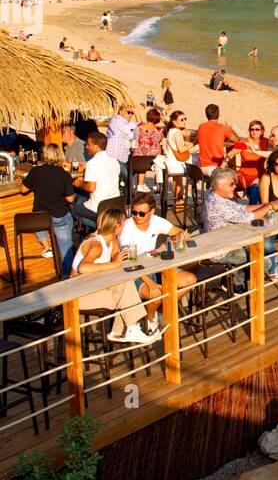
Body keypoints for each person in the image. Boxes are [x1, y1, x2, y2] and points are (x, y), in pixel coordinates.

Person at [71, 207, 158, 346]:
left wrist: (121, 261)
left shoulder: (112, 241)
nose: (125, 224)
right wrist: (114, 264)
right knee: (125, 295)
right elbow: (83, 267)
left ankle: (123, 330)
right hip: (79, 295)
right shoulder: (96, 244)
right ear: (117, 225)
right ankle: (129, 328)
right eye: (123, 222)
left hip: (95, 287)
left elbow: (119, 266)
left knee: (125, 286)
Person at [120, 192, 197, 335]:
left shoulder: (156, 221)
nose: (137, 216)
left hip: (154, 265)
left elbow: (183, 234)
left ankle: (162, 307)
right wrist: (150, 283)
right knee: (156, 293)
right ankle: (150, 318)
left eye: (141, 213)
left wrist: (178, 237)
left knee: (190, 280)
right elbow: (130, 264)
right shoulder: (127, 229)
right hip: (133, 272)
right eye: (134, 212)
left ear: (151, 212)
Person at [203, 166, 278, 279]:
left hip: (230, 242)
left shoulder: (215, 197)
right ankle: (236, 282)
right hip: (223, 250)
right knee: (265, 263)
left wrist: (266, 205)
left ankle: (234, 274)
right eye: (231, 184)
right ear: (220, 186)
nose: (235, 186)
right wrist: (270, 206)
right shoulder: (217, 204)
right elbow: (248, 218)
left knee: (260, 248)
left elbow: (242, 208)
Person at [19, 143, 76, 274]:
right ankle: (67, 276)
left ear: (45, 155)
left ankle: (46, 246)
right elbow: (70, 199)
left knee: (38, 214)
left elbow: (23, 190)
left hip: (40, 219)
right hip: (59, 216)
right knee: (65, 248)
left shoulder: (35, 171)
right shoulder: (63, 174)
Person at [70, 131, 122, 226]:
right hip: (114, 203)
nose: (86, 147)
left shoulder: (92, 163)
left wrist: (80, 184)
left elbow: (91, 188)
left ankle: (100, 228)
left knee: (73, 208)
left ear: (96, 146)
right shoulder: (114, 160)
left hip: (98, 207)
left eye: (88, 144)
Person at [197, 104, 240, 178]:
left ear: (206, 114)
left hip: (201, 166)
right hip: (215, 166)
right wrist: (228, 129)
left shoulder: (201, 126)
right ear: (218, 114)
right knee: (232, 176)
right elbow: (237, 140)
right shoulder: (222, 128)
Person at [232, 120, 269, 200]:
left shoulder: (266, 142)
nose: (254, 132)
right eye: (251, 129)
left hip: (261, 174)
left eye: (257, 129)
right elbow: (230, 154)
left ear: (262, 131)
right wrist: (222, 165)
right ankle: (255, 209)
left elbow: (277, 150)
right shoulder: (243, 142)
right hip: (246, 175)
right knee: (257, 187)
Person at [105, 104, 139, 189]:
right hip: (114, 156)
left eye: (132, 113)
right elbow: (128, 131)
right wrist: (135, 122)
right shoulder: (117, 120)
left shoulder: (126, 124)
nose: (130, 115)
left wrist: (137, 114)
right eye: (129, 112)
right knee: (128, 179)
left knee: (126, 180)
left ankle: (126, 199)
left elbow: (134, 136)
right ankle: (128, 200)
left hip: (123, 156)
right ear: (121, 111)